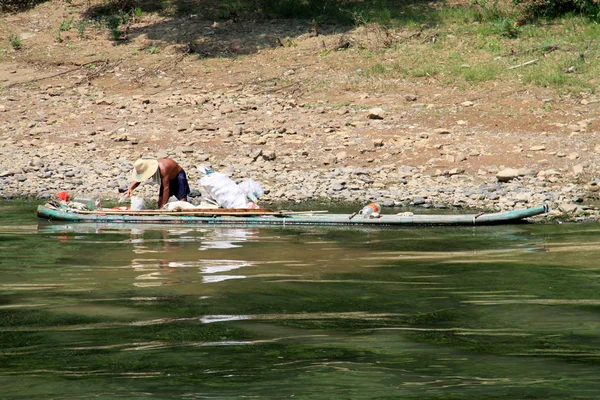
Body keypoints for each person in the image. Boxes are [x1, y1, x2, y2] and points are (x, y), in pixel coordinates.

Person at [126, 158, 190, 209]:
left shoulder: (163, 169)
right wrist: (130, 189)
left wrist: (164, 205)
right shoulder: (145, 167)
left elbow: (166, 188)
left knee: (182, 201)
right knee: (160, 202)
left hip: (178, 175)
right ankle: (161, 215)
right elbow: (139, 179)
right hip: (166, 178)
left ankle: (185, 217)